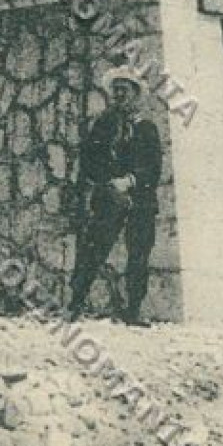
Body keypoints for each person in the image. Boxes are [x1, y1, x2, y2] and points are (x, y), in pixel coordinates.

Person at [67, 67, 163, 325]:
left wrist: (130, 181)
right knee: (93, 250)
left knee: (139, 255)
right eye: (116, 90)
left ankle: (133, 310)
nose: (119, 95)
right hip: (109, 198)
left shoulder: (147, 128)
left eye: (125, 90)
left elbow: (153, 169)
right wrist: (107, 182)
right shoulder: (104, 124)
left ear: (135, 94)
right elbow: (89, 158)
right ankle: (74, 305)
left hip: (140, 201)